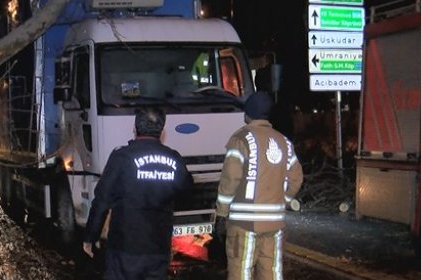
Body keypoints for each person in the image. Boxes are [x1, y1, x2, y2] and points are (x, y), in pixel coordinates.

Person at [83, 107, 193, 280]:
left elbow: (102, 200)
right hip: (158, 248)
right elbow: (187, 194)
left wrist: (91, 236)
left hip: (124, 248)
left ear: (135, 128)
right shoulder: (174, 159)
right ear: (162, 131)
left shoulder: (121, 157)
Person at [216, 91, 303, 280]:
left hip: (244, 223)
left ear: (246, 114)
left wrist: (221, 212)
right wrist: (283, 200)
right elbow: (296, 177)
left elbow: (231, 179)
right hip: (275, 223)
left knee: (241, 271)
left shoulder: (240, 139)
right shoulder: (283, 142)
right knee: (271, 272)